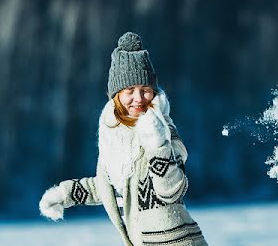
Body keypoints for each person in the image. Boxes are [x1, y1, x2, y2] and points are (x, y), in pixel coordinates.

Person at [39, 32, 207, 246]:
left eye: (145, 90)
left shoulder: (163, 129)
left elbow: (172, 191)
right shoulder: (113, 135)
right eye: (130, 90)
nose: (139, 98)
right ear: (116, 94)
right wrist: (66, 193)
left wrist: (158, 145)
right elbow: (114, 188)